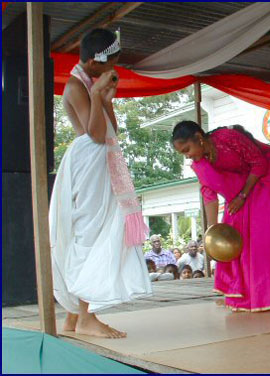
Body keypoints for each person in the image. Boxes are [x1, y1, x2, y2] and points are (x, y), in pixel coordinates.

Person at [49, 28, 152, 338]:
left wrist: (106, 98)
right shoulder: (75, 86)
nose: (112, 70)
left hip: (100, 162)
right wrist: (96, 94)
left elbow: (110, 129)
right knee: (90, 234)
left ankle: (73, 318)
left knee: (92, 231)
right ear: (96, 61)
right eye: (110, 63)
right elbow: (93, 134)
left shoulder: (90, 82)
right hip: (89, 163)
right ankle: (85, 316)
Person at [172, 121, 270, 312]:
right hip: (236, 199)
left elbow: (259, 162)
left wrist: (243, 195)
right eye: (182, 153)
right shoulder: (200, 165)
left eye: (187, 149)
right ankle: (244, 297)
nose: (187, 155)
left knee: (260, 245)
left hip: (260, 185)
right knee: (237, 244)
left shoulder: (227, 137)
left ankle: (266, 296)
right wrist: (212, 232)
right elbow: (209, 196)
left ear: (199, 137)